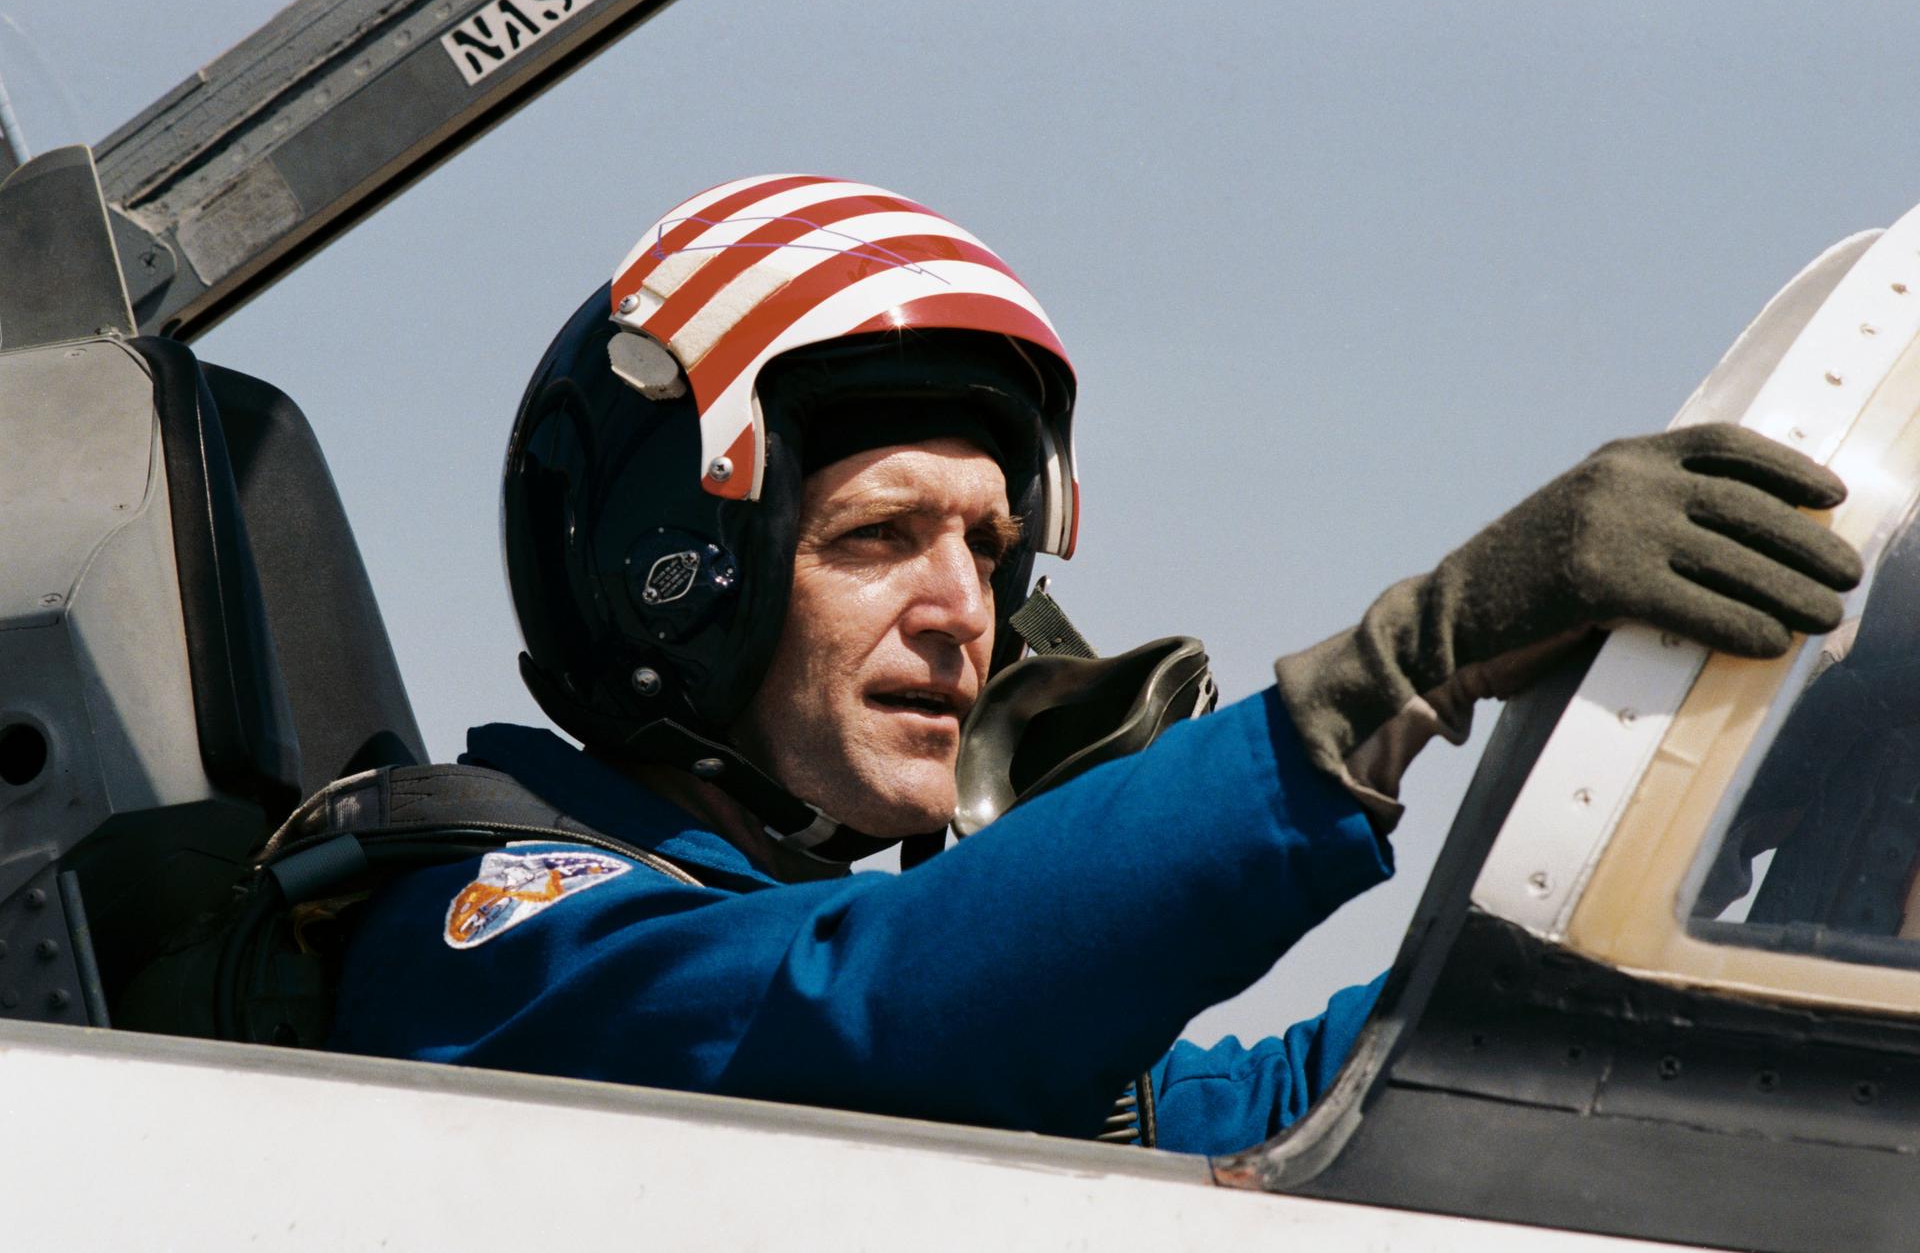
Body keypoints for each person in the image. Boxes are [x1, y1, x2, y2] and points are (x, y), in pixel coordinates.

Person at [328, 174, 1862, 1155]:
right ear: (672, 583)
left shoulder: (815, 957)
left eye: (989, 550)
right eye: (875, 538)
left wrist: (1729, 882)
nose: (964, 613)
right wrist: (1408, 669)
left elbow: (1268, 1114)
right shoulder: (489, 944)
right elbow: (866, 1011)